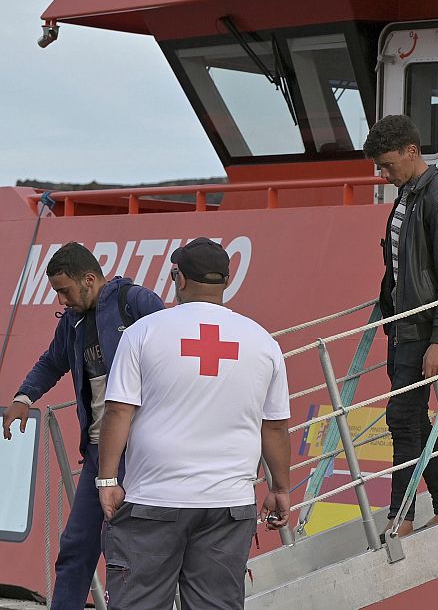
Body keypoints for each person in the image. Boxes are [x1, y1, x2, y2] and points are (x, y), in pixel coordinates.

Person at [97, 238, 291, 610]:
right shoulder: (263, 342)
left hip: (153, 501)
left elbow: (119, 411)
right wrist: (280, 488)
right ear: (226, 283)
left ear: (178, 278)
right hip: (228, 506)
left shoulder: (144, 332)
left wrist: (107, 479)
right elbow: (275, 428)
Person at [1, 243, 163, 610]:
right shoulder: (71, 323)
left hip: (143, 452)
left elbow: (173, 353)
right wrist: (23, 398)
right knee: (76, 545)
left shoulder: (136, 303)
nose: (61, 298)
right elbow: (51, 363)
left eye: (65, 290)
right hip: (98, 454)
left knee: (127, 549)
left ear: (89, 279)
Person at [366, 114, 438, 537]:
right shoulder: (408, 193)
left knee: (402, 416)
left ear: (412, 151)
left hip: (423, 330)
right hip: (402, 326)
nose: (384, 175)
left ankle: (400, 516)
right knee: (411, 419)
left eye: (388, 165)